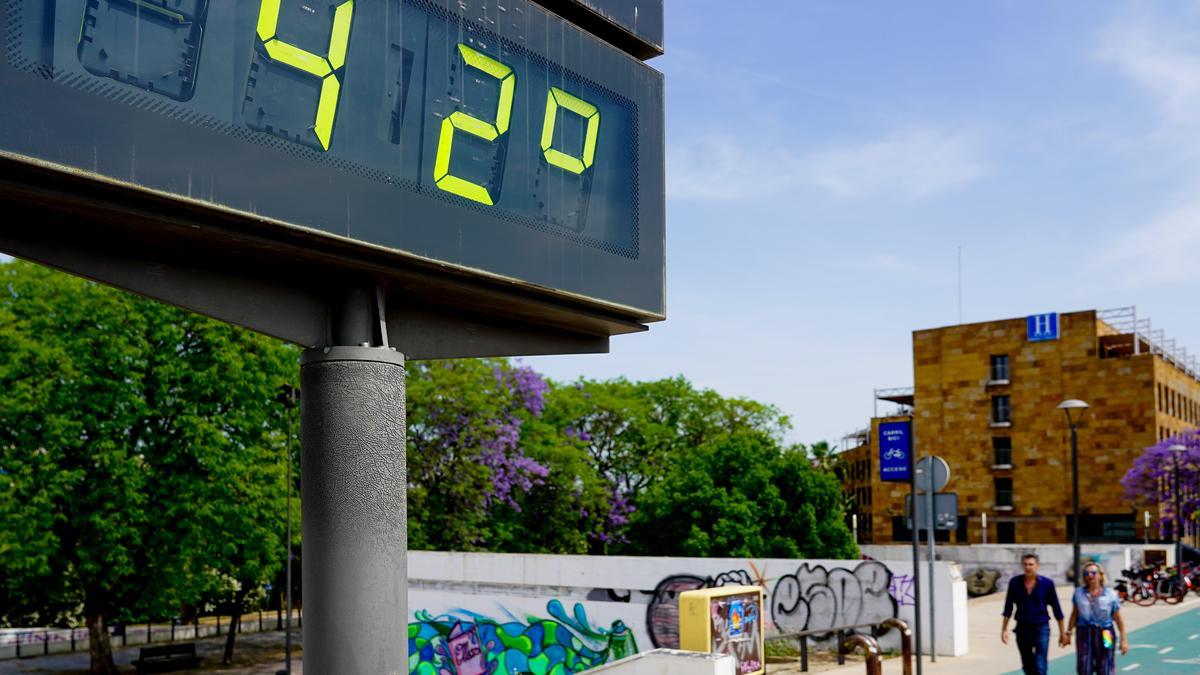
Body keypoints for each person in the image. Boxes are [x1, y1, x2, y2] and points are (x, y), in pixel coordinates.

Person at [1001, 553, 1067, 675]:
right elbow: (1008, 607)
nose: (1028, 567)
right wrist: (1004, 629)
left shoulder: (1047, 584)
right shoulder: (1015, 583)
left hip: (1041, 627)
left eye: (1031, 564)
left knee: (1040, 664)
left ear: (1037, 566)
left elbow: (1057, 608)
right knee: (1027, 665)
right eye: (1025, 564)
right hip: (1022, 628)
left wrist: (1062, 633)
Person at [1067, 562, 1127, 674]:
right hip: (1084, 633)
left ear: (1100, 575)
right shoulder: (1079, 593)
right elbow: (1074, 614)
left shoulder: (1111, 594)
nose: (1090, 575)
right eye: (1087, 573)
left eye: (1093, 573)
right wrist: (1068, 632)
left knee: (1106, 665)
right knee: (1084, 667)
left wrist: (1123, 639)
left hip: (1106, 632)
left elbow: (1119, 619)